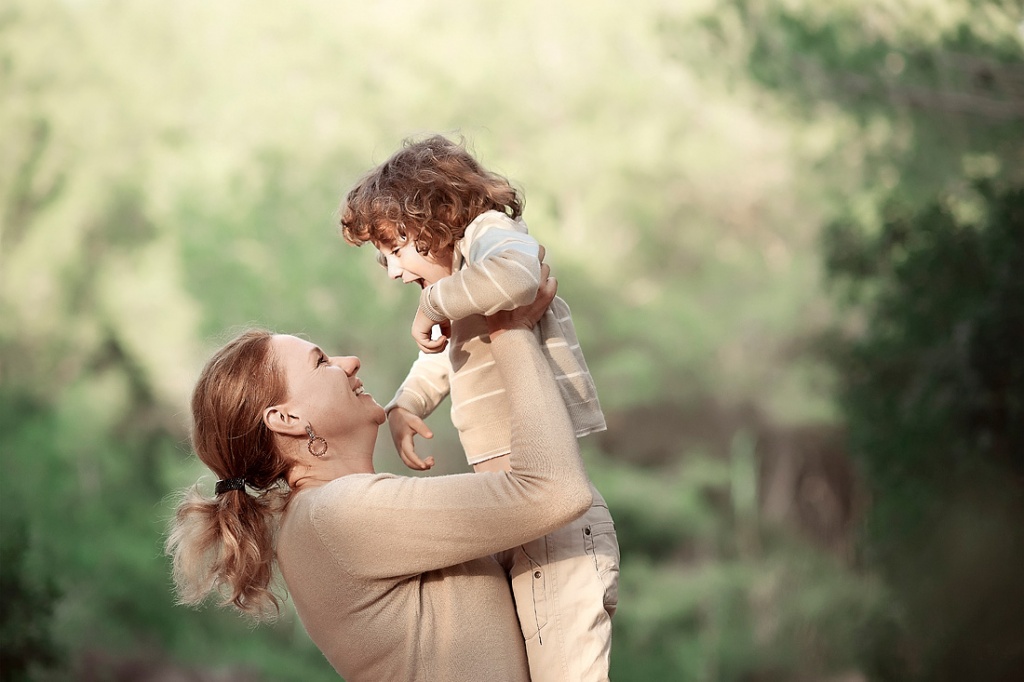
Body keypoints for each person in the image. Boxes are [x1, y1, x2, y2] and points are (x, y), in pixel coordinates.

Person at [166, 276, 594, 681]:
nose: (350, 362)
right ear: (286, 419)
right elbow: (555, 492)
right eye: (321, 362)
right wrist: (510, 332)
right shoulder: (338, 516)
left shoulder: (324, 516)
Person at [340, 134, 619, 681]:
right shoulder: (466, 291)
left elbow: (519, 277)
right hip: (517, 516)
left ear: (436, 215)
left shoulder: (490, 235)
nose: (393, 271)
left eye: (395, 249)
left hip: (556, 528)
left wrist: (432, 302)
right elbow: (446, 359)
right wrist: (406, 403)